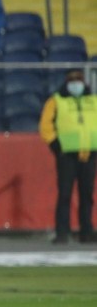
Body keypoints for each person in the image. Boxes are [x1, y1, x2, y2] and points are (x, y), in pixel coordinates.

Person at [39, 67, 97, 244]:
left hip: (89, 153)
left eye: (78, 79)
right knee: (65, 194)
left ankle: (86, 232)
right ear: (66, 82)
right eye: (72, 80)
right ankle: (62, 232)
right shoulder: (56, 101)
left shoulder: (93, 100)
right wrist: (56, 145)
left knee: (87, 195)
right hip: (67, 155)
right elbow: (45, 125)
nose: (76, 83)